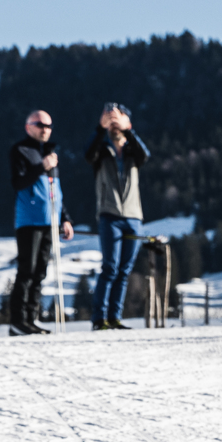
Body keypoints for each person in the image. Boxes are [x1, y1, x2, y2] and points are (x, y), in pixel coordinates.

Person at [7, 111, 73, 335]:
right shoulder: (20, 151)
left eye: (48, 125)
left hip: (50, 222)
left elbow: (56, 191)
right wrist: (40, 167)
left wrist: (65, 219)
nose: (45, 129)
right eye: (39, 124)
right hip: (29, 221)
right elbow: (18, 182)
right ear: (28, 127)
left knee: (40, 273)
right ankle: (18, 321)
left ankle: (31, 319)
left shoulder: (50, 154)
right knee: (26, 270)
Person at [84, 103, 149, 330]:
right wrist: (100, 128)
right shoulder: (101, 151)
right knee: (110, 267)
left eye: (117, 120)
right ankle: (99, 319)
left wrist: (128, 129)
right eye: (110, 121)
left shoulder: (133, 151)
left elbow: (145, 155)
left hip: (133, 217)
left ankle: (114, 317)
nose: (114, 125)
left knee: (124, 271)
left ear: (126, 123)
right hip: (109, 215)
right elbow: (88, 154)